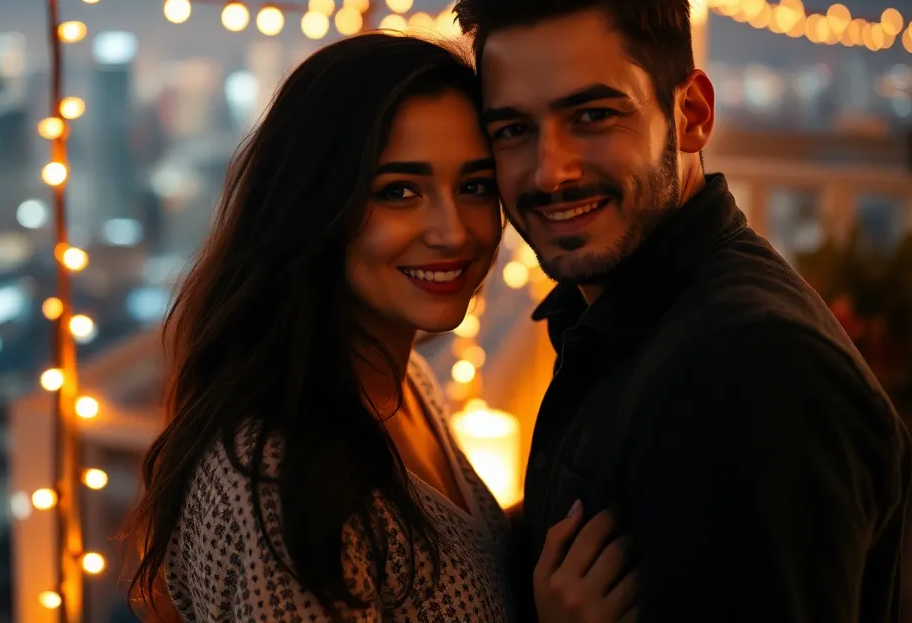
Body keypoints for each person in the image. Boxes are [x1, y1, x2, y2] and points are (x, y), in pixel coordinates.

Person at [453, 0, 912, 622]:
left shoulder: (745, 368)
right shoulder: (625, 321)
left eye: (592, 116)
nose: (550, 172)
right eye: (515, 129)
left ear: (691, 114)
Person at [125, 32, 635, 622]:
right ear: (314, 206)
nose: (453, 232)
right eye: (399, 191)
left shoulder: (408, 382)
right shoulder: (276, 484)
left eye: (474, 186)